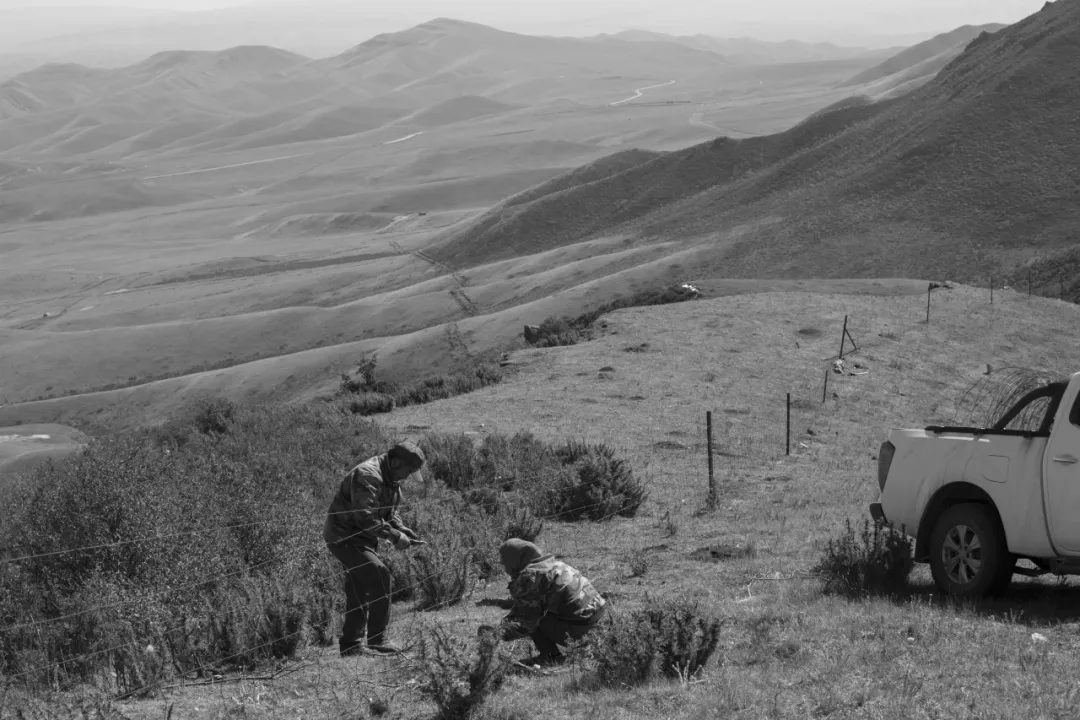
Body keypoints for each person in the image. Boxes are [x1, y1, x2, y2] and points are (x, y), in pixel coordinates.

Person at [324, 440, 426, 656]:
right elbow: (365, 518)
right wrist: (395, 537)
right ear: (397, 462)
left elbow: (388, 511)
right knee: (380, 576)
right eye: (408, 471)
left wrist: (402, 529)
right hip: (344, 537)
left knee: (359, 586)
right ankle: (377, 640)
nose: (408, 477)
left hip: (362, 538)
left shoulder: (391, 476)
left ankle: (352, 646)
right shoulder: (368, 475)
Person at [495, 539, 608, 666]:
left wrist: (496, 636)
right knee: (538, 611)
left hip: (582, 628)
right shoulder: (554, 564)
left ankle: (550, 656)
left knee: (537, 618)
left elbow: (527, 622)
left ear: (515, 558)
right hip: (600, 622)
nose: (501, 562)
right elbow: (523, 605)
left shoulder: (531, 577)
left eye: (504, 559)